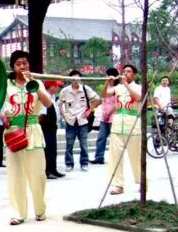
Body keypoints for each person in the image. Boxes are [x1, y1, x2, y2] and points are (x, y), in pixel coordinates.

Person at [0, 51, 52, 226]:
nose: (23, 67)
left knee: (37, 174)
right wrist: (2, 116)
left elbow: (48, 103)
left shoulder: (37, 83)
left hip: (33, 130)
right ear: (13, 67)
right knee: (15, 175)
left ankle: (40, 209)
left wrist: (34, 85)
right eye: (18, 64)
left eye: (25, 63)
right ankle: (17, 213)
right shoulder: (6, 85)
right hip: (13, 132)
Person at [101, 64, 142, 195]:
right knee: (115, 156)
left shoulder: (139, 87)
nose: (126, 73)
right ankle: (118, 185)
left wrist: (126, 84)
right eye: (124, 71)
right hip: (117, 123)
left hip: (133, 123)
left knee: (136, 155)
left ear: (134, 74)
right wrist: (107, 83)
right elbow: (104, 95)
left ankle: (142, 181)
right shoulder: (117, 87)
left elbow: (138, 98)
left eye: (129, 71)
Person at [58, 70, 100, 172]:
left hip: (83, 121)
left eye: (77, 78)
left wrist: (89, 111)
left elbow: (97, 99)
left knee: (84, 144)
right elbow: (59, 103)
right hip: (70, 121)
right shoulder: (65, 91)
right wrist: (64, 115)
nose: (76, 80)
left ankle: (84, 163)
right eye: (73, 78)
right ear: (70, 79)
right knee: (69, 144)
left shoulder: (86, 89)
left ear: (80, 79)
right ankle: (69, 164)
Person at [91, 68, 119, 165]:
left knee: (114, 139)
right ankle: (99, 157)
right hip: (104, 117)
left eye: (108, 75)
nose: (107, 77)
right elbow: (102, 98)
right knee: (101, 138)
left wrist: (109, 113)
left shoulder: (118, 88)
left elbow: (117, 104)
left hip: (113, 117)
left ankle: (116, 158)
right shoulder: (107, 86)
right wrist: (104, 113)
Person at [38, 80, 66, 179]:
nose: (57, 88)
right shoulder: (44, 97)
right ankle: (47, 171)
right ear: (50, 86)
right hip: (46, 126)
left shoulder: (53, 97)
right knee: (48, 149)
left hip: (52, 126)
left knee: (53, 149)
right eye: (56, 86)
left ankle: (53, 169)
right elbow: (42, 114)